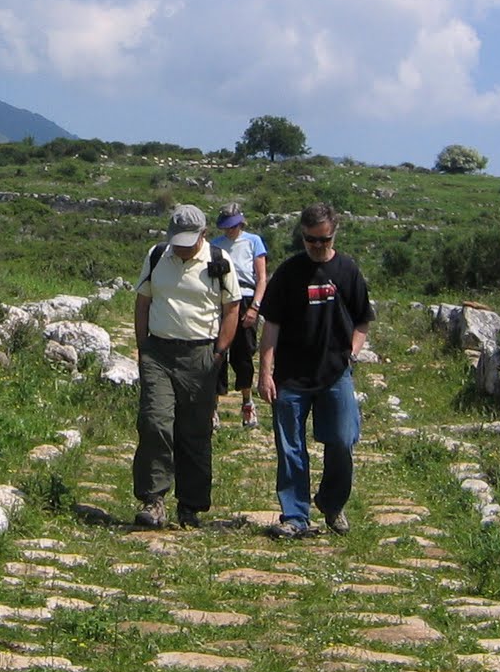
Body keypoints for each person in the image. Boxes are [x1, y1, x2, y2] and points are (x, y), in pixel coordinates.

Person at [258, 202, 372, 538]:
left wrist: (351, 353)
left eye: (323, 240)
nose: (317, 247)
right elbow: (271, 325)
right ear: (302, 236)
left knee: (341, 440)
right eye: (310, 240)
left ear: (334, 233)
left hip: (335, 372)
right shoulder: (288, 272)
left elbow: (363, 320)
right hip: (291, 374)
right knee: (290, 447)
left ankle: (332, 503)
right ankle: (295, 516)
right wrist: (265, 371)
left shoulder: (348, 270)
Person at [132, 202, 241, 529]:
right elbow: (143, 301)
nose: (181, 248)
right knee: (155, 421)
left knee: (195, 431)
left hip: (201, 355)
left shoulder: (219, 261)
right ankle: (153, 500)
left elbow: (233, 307)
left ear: (204, 235)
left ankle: (190, 506)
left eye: (188, 241)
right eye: (177, 240)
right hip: (159, 353)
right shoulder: (156, 256)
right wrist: (143, 347)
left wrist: (219, 352)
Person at [211, 204, 268, 428]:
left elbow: (261, 277)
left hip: (245, 296)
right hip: (222, 297)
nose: (230, 231)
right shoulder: (215, 245)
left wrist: (255, 306)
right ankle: (213, 406)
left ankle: (247, 402)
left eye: (233, 226)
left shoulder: (253, 241)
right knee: (218, 351)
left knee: (243, 354)